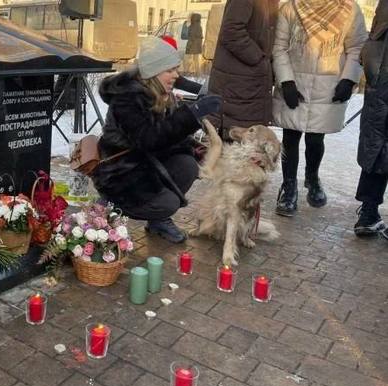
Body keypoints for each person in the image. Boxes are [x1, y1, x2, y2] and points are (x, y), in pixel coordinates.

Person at [92, 37, 222, 243]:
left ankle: (158, 221)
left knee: (187, 166)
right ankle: (110, 204)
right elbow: (150, 138)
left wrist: (204, 152)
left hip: (145, 162)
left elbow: (171, 137)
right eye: (170, 70)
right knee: (168, 203)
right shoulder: (127, 99)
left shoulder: (161, 94)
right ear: (154, 71)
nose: (176, 75)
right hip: (120, 173)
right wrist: (192, 114)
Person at [273, 0, 368, 217]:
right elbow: (279, 47)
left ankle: (312, 177)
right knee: (291, 136)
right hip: (295, 83)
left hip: (329, 85)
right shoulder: (290, 8)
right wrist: (286, 81)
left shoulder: (349, 9)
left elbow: (357, 48)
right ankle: (288, 189)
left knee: (315, 139)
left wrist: (348, 79)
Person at [206, 0, 279, 132]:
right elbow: (231, 32)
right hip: (237, 85)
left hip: (250, 84)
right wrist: (259, 60)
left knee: (248, 141)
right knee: (234, 141)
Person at [354, 0, 388, 238]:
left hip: (380, 86)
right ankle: (368, 212)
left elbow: (369, 48)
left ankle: (368, 212)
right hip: (380, 85)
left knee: (376, 147)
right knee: (377, 147)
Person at [183, 13, 203, 77]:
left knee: (187, 60)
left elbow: (191, 38)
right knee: (196, 61)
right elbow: (200, 37)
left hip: (191, 46)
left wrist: (188, 47)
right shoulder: (199, 26)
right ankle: (197, 74)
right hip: (197, 47)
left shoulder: (192, 26)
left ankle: (186, 73)